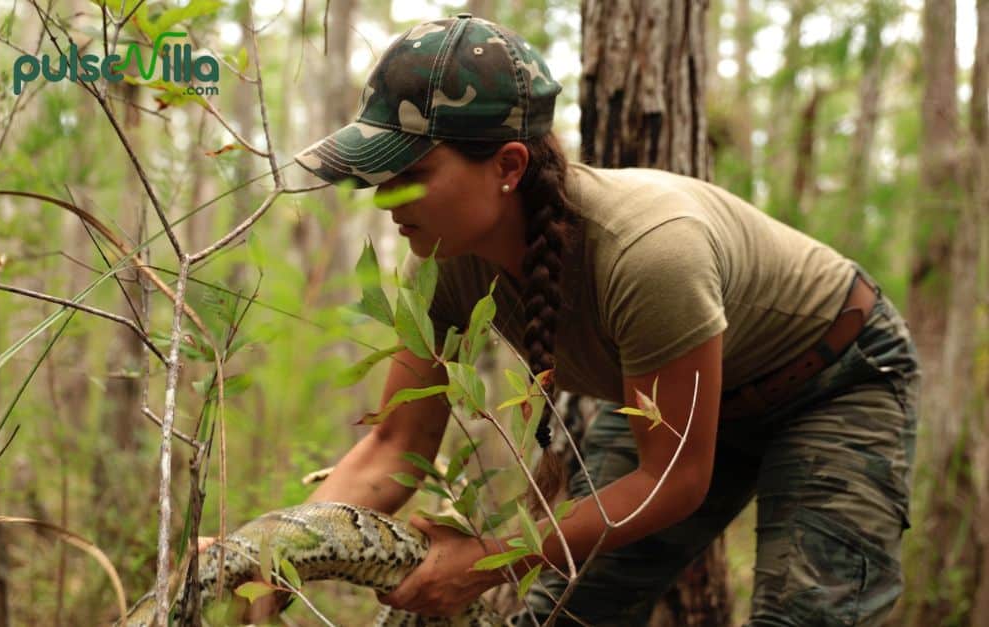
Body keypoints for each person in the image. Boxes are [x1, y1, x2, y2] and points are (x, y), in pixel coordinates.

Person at [287, 13, 920, 627]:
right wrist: (274, 560)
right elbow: (395, 444)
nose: (385, 197)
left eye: (412, 173)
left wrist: (490, 560)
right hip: (674, 407)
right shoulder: (443, 261)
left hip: (834, 380)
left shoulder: (649, 252)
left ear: (508, 166)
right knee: (565, 615)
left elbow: (672, 479)